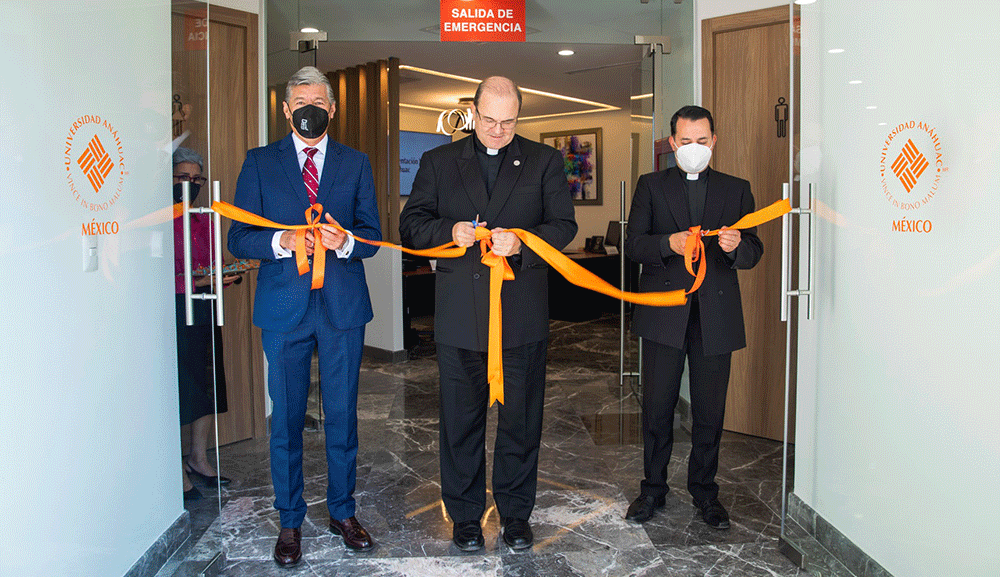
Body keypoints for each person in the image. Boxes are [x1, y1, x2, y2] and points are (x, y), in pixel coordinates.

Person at [399, 76, 577, 552]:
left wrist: (522, 242)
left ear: (519, 117)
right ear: (473, 112)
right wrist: (448, 230)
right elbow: (411, 225)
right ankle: (464, 516)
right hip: (460, 316)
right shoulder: (438, 161)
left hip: (521, 317)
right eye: (490, 120)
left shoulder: (543, 161)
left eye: (509, 122)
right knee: (460, 423)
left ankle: (516, 515)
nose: (498, 130)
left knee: (521, 421)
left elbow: (564, 226)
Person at [227, 66, 382, 566]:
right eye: (300, 103)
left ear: (332, 109)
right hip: (284, 310)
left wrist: (347, 241)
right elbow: (238, 238)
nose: (309, 110)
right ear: (286, 109)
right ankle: (290, 520)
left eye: (318, 102)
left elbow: (373, 236)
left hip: (342, 309)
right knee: (287, 421)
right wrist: (283, 239)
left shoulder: (355, 163)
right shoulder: (259, 163)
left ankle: (343, 512)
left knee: (342, 417)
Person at [623, 105, 763, 529]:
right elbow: (634, 244)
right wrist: (668, 243)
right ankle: (652, 489)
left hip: (715, 315)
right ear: (673, 143)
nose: (694, 148)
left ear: (714, 141)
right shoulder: (650, 185)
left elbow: (754, 251)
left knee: (709, 411)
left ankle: (705, 492)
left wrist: (735, 248)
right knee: (657, 408)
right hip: (664, 313)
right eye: (686, 141)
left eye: (702, 141)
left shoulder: (736, 189)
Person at [172, 147, 237, 501]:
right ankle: (175, 467)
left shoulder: (204, 217)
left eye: (197, 179)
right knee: (183, 388)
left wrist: (228, 273)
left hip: (207, 308)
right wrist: (199, 281)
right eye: (183, 177)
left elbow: (214, 264)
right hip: (175, 311)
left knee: (209, 384)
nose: (191, 184)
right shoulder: (162, 219)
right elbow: (160, 274)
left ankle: (198, 458)